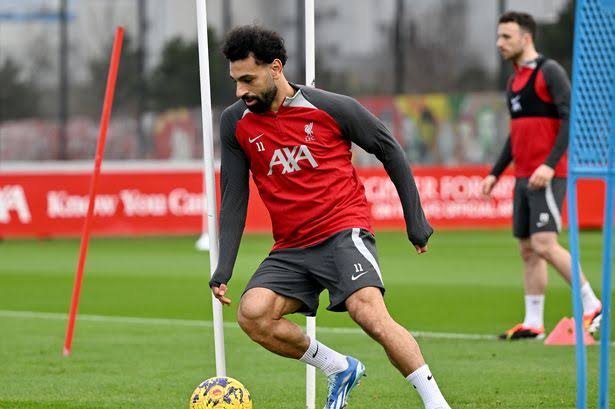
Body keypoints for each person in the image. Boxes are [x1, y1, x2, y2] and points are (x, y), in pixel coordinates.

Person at [208, 25, 452, 409]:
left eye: (248, 80)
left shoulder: (330, 107)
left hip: (343, 230)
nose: (241, 91)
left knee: (367, 312)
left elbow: (390, 149)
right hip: (291, 246)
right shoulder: (234, 123)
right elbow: (234, 197)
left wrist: (415, 220)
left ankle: (436, 403)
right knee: (253, 315)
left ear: (276, 68)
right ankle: (338, 367)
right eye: (236, 81)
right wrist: (224, 268)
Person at [481, 11, 602, 341]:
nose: (500, 43)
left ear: (526, 37)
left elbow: (570, 119)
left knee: (544, 243)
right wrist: (495, 173)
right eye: (498, 36)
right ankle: (533, 324)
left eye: (506, 36)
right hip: (522, 177)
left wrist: (549, 165)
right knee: (527, 249)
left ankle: (593, 305)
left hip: (547, 175)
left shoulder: (549, 72)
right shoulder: (514, 80)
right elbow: (515, 133)